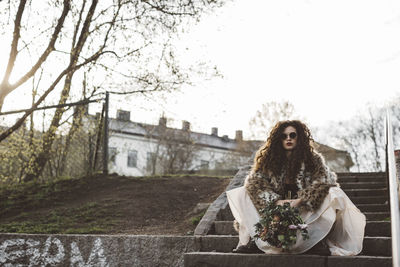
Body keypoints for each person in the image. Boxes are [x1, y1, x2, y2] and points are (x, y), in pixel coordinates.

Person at [226, 120, 366, 256]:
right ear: (278, 139)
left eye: (292, 135)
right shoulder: (268, 160)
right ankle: (256, 238)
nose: (288, 139)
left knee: (333, 192)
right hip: (274, 214)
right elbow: (254, 183)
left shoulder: (313, 159)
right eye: (284, 136)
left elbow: (324, 181)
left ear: (299, 138)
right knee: (243, 192)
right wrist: (275, 202)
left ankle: (316, 239)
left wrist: (301, 201)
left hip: (303, 212)